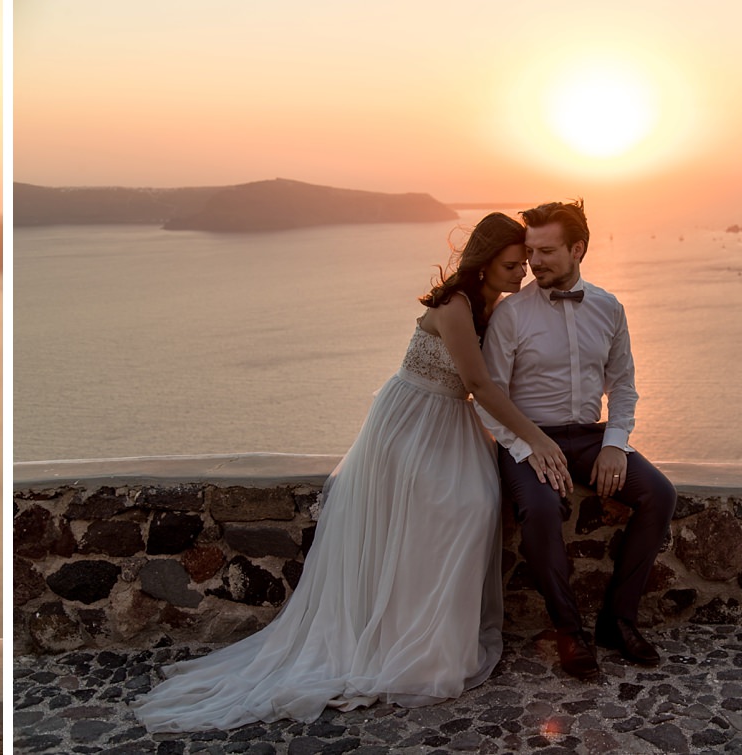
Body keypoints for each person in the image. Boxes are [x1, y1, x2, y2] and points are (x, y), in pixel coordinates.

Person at [132, 213, 575, 732]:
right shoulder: (455, 305)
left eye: (523, 264)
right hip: (413, 422)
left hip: (452, 424)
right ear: (482, 263)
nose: (520, 273)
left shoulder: (491, 304)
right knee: (458, 509)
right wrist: (538, 440)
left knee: (476, 507)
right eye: (510, 264)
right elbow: (479, 382)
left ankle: (434, 637)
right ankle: (408, 644)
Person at [478, 199, 677, 682]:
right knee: (542, 511)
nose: (534, 262)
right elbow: (491, 398)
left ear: (578, 248)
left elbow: (623, 385)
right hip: (527, 439)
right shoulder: (511, 315)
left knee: (660, 494)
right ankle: (569, 630)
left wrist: (615, 441)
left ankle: (618, 620)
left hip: (590, 439)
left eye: (546, 251)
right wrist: (528, 448)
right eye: (531, 251)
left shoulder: (609, 307)